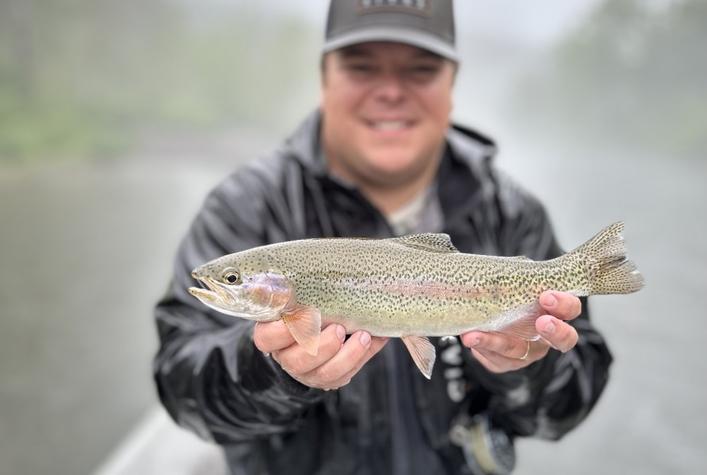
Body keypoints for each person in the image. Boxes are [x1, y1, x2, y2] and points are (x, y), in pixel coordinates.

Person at [153, 1, 613, 474]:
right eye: (362, 67)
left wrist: (529, 366)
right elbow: (180, 385)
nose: (390, 91)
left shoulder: (514, 214)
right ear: (324, 78)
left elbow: (570, 404)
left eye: (420, 70)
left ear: (451, 84)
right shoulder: (246, 206)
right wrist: (267, 368)